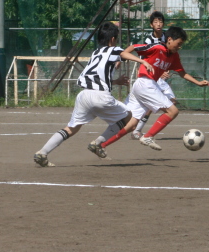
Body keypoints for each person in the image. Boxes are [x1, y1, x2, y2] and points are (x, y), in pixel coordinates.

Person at [33, 22, 153, 167]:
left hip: (84, 96)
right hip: (100, 97)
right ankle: (98, 143)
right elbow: (123, 53)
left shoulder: (95, 53)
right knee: (129, 118)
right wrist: (143, 61)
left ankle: (42, 152)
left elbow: (97, 78)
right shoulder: (113, 49)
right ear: (113, 39)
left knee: (71, 128)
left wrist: (116, 81)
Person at [97, 25, 209, 152]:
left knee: (131, 125)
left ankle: (101, 145)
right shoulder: (157, 47)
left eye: (181, 45)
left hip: (144, 86)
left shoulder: (174, 56)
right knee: (173, 111)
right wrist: (120, 58)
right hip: (145, 83)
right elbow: (134, 46)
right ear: (169, 39)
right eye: (178, 44)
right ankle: (148, 136)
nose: (179, 47)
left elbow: (182, 73)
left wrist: (198, 83)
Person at [130, 11, 176, 140]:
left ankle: (138, 129)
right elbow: (145, 59)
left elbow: (170, 54)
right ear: (151, 25)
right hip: (151, 76)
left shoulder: (167, 38)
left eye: (160, 21)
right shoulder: (148, 40)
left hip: (159, 76)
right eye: (156, 22)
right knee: (151, 105)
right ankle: (138, 130)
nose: (158, 24)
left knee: (172, 101)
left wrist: (166, 69)